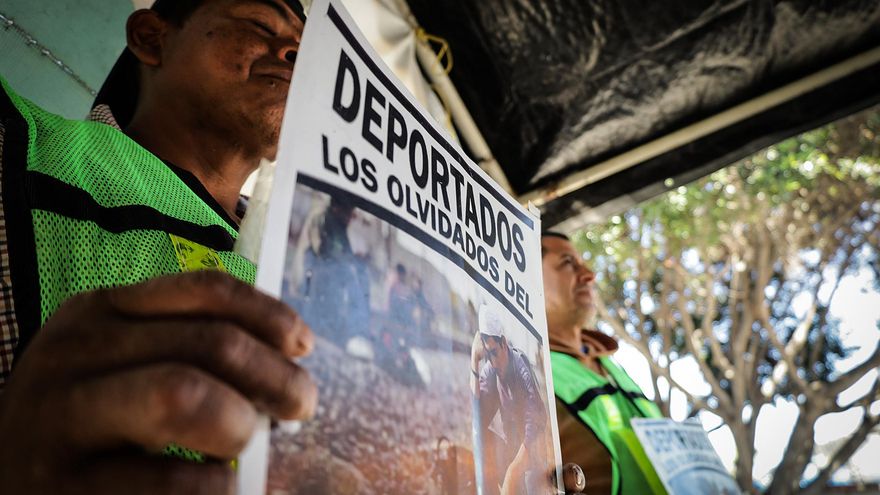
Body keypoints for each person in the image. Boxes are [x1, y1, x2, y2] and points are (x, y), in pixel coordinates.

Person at [0, 1, 318, 492]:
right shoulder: (16, 146)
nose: (294, 51)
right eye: (259, 25)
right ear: (151, 38)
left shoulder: (300, 271)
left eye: (303, 48)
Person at [541, 231, 667, 495]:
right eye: (568, 263)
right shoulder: (530, 369)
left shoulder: (613, 367)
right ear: (527, 277)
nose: (589, 275)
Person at [471, 304, 547, 495]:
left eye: (494, 353)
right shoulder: (490, 369)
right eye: (487, 356)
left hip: (532, 452)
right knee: (478, 435)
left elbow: (535, 423)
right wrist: (474, 361)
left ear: (504, 343)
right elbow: (477, 418)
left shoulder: (521, 366)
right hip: (511, 447)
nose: (493, 361)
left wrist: (513, 472)